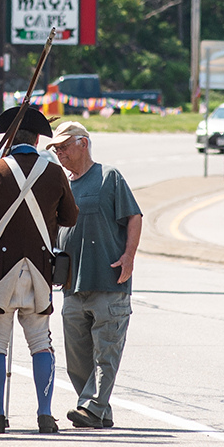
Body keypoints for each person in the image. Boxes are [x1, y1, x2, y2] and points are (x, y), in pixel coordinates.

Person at [0, 105, 78, 435]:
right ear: (39, 138)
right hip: (40, 271)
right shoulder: (53, 172)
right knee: (41, 342)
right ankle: (44, 414)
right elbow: (70, 218)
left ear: (9, 139)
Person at [44, 121, 143, 429]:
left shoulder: (108, 177)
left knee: (106, 352)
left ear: (83, 144)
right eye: (55, 149)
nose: (59, 153)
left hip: (108, 283)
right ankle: (99, 410)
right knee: (77, 359)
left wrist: (129, 256)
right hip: (72, 286)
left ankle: (91, 406)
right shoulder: (62, 184)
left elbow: (134, 217)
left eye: (64, 147)